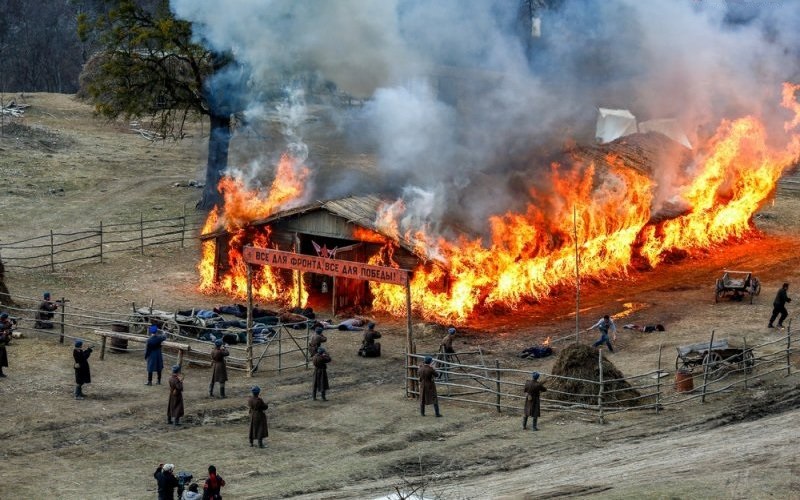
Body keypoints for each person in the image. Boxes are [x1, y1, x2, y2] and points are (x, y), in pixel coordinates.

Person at [0, 313, 11, 378]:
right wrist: (4, 334)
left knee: (1, 359)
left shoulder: (2, 324)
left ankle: (0, 373)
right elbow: (1, 338)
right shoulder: (1, 325)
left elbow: (6, 327)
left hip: (2, 346)